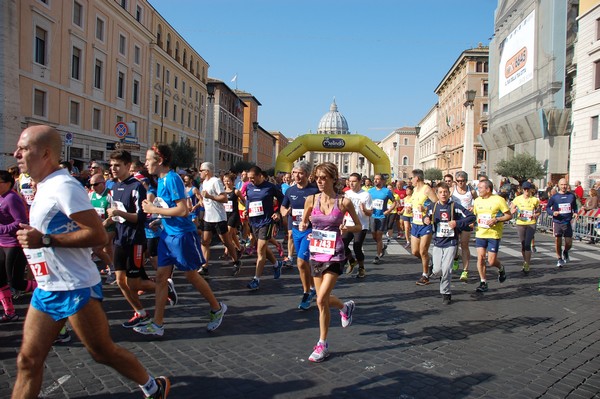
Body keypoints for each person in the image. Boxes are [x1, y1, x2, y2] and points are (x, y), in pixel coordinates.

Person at [12, 125, 169, 399]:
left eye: (24, 149)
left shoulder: (64, 186)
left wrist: (45, 241)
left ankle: (153, 386)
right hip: (48, 288)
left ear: (46, 153)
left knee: (102, 352)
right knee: (27, 361)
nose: (16, 154)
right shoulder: (44, 186)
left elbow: (96, 234)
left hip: (76, 287)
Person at [138, 145, 225, 337]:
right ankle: (158, 324)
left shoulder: (172, 178)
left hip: (182, 236)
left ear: (159, 160)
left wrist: (155, 211)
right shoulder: (160, 181)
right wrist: (159, 220)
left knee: (191, 276)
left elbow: (183, 210)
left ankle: (217, 308)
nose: (145, 163)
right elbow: (169, 209)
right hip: (167, 235)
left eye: (148, 159)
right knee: (161, 278)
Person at [298, 162, 361, 362]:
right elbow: (304, 222)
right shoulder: (311, 199)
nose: (319, 181)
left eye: (323, 178)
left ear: (334, 179)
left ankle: (322, 344)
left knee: (320, 298)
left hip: (335, 254)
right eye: (317, 177)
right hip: (316, 254)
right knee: (322, 301)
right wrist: (304, 227)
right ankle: (344, 307)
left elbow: (358, 226)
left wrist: (346, 229)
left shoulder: (344, 202)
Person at [107, 150, 161, 329]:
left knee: (134, 282)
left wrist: (119, 213)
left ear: (128, 166)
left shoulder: (136, 187)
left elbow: (140, 217)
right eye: (111, 165)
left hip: (135, 240)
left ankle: (164, 287)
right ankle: (140, 312)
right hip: (120, 239)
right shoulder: (114, 187)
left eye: (117, 165)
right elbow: (115, 215)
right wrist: (103, 223)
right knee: (120, 281)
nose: (113, 169)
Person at [424, 182, 475, 304]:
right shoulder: (433, 207)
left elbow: (471, 217)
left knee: (447, 269)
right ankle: (434, 267)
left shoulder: (454, 206)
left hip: (451, 242)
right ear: (437, 193)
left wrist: (457, 223)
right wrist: (425, 219)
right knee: (437, 271)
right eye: (440, 192)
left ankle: (446, 293)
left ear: (449, 193)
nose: (443, 194)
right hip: (437, 242)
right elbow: (426, 217)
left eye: (445, 192)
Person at [280, 161, 320, 309]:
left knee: (301, 262)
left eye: (300, 173)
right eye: (295, 173)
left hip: (310, 231)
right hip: (296, 230)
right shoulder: (290, 191)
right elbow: (284, 206)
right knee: (303, 264)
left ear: (307, 175)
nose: (297, 176)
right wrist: (284, 212)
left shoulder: (314, 191)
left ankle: (306, 293)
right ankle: (310, 289)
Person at [0, 170, 35, 322]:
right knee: (0, 280)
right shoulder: (1, 197)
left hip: (14, 244)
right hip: (1, 243)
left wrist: (2, 229)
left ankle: (45, 288)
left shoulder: (12, 198)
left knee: (16, 282)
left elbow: (20, 222)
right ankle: (10, 312)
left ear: (8, 183)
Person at [197, 162, 242, 277]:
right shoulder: (204, 183)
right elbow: (204, 199)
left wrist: (210, 196)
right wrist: (198, 204)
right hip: (208, 217)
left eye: (201, 170)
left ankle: (236, 261)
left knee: (226, 241)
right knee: (204, 241)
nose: (199, 172)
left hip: (218, 217)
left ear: (207, 171)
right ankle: (205, 266)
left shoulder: (215, 181)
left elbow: (224, 198)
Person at [244, 166, 284, 290]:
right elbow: (249, 199)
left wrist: (278, 213)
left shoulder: (270, 187)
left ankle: (256, 280)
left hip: (266, 221)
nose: (250, 181)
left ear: (260, 175)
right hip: (254, 221)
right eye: (249, 178)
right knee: (263, 248)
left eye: (252, 178)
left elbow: (283, 200)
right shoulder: (249, 187)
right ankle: (277, 264)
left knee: (260, 250)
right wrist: (246, 209)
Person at [472, 179, 512, 292]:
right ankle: (483, 282)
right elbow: (475, 215)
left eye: (480, 188)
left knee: (491, 261)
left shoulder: (498, 200)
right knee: (480, 258)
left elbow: (508, 216)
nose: (478, 190)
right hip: (480, 233)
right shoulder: (477, 201)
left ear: (488, 189)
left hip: (493, 234)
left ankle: (501, 268)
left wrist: (497, 219)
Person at [409, 169, 438, 285]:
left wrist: (426, 209)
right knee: (415, 251)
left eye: (411, 178)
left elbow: (436, 203)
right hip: (415, 222)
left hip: (425, 224)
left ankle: (425, 275)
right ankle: (429, 260)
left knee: (423, 251)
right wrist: (410, 209)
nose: (411, 180)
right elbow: (415, 204)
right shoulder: (415, 190)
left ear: (417, 178)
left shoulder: (427, 189)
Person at [343, 173, 373, 278]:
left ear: (360, 182)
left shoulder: (366, 195)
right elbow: (343, 210)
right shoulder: (346, 193)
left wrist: (364, 209)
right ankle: (351, 260)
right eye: (350, 181)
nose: (351, 183)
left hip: (361, 225)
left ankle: (361, 268)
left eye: (354, 181)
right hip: (348, 223)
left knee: (357, 247)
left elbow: (370, 213)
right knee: (342, 244)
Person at [88, 173, 116, 283]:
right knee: (108, 249)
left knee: (97, 249)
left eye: (95, 184)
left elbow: (113, 215)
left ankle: (113, 270)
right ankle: (113, 270)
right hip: (97, 228)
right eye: (91, 185)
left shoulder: (109, 195)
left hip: (109, 228)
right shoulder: (90, 195)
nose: (93, 187)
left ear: (103, 184)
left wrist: (104, 224)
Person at [451, 171, 478, 282]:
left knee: (464, 245)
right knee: (454, 244)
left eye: (462, 181)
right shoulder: (453, 190)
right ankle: (456, 257)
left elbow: (479, 201)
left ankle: (465, 271)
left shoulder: (471, 191)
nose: (460, 183)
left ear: (466, 181)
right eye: (458, 181)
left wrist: (473, 206)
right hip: (455, 220)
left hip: (466, 221)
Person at [546, 178, 578, 267]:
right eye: (562, 185)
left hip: (567, 222)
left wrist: (575, 212)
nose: (564, 186)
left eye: (565, 185)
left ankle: (565, 251)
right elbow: (547, 208)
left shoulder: (571, 196)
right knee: (558, 240)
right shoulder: (554, 197)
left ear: (567, 185)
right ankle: (559, 258)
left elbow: (574, 206)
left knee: (569, 243)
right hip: (557, 222)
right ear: (559, 186)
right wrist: (553, 213)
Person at [510, 181, 541, 274]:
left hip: (531, 223)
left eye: (528, 189)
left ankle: (527, 263)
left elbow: (539, 211)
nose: (526, 191)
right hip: (520, 223)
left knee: (527, 244)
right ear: (522, 190)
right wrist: (513, 210)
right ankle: (525, 261)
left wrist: (535, 215)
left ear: (531, 190)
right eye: (525, 189)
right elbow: (511, 209)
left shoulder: (535, 200)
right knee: (523, 244)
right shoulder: (517, 199)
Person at [368, 174, 396, 264]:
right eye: (375, 179)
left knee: (379, 235)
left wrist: (388, 211)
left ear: (382, 181)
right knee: (374, 235)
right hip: (373, 216)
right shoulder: (370, 191)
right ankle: (382, 246)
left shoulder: (387, 191)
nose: (375, 181)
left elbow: (395, 202)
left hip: (382, 217)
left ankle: (377, 255)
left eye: (378, 179)